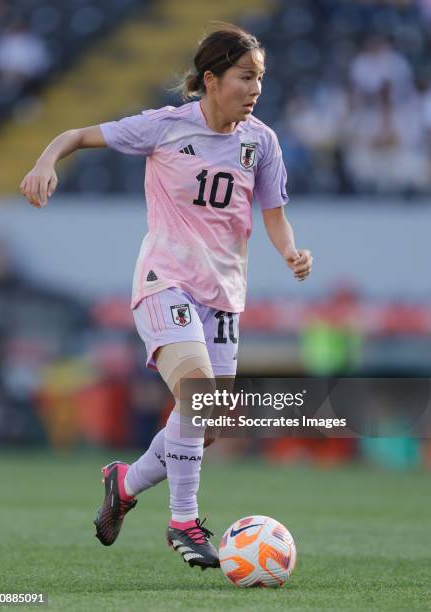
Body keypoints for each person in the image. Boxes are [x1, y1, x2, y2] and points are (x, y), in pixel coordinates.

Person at [20, 24, 313, 570]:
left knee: (210, 424)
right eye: (245, 77)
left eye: (260, 79)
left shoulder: (262, 142)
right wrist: (45, 161)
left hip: (224, 297)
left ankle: (125, 482)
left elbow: (273, 215)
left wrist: (292, 252)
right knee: (199, 397)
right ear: (211, 78)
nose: (255, 89)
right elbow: (75, 135)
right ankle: (183, 522)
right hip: (165, 282)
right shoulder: (164, 126)